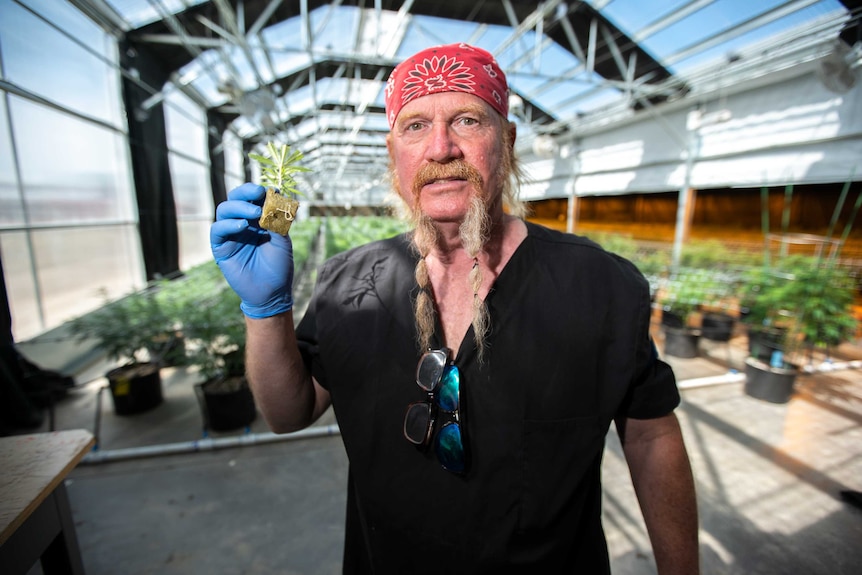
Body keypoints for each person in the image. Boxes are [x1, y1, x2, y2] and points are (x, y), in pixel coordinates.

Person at [211, 43, 699, 574]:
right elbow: (287, 413)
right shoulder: (346, 284)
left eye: (467, 120)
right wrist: (266, 311)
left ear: (506, 142)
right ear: (393, 153)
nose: (440, 147)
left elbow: (650, 433)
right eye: (415, 126)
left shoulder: (599, 284)